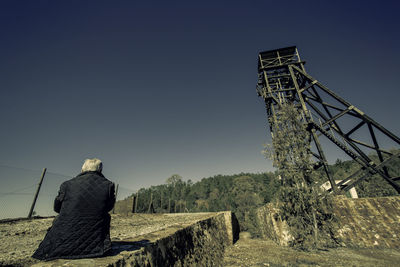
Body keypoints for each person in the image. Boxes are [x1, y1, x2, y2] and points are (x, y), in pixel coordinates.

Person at [32, 158, 116, 261]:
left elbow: (57, 208)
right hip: (95, 243)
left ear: (82, 170)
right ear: (100, 171)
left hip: (62, 241)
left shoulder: (67, 184)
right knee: (105, 216)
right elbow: (108, 207)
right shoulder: (109, 185)